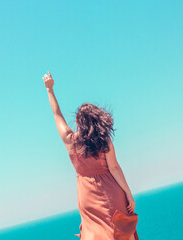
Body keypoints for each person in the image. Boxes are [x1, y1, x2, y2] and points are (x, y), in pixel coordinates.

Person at [42, 71, 139, 240]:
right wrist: (128, 193)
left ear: (79, 122)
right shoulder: (104, 141)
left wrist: (50, 90)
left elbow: (57, 115)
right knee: (121, 230)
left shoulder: (70, 141)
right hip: (111, 192)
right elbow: (114, 168)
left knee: (95, 232)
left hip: (86, 195)